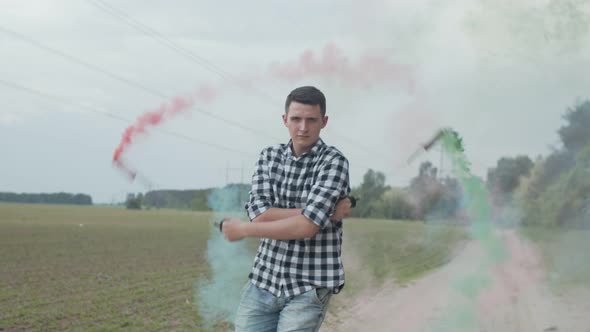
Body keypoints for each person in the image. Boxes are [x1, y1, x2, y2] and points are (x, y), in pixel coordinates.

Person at [221, 86, 354, 331]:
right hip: (263, 280)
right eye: (296, 119)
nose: (303, 127)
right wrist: (322, 211)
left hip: (308, 285)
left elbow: (305, 228)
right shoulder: (268, 157)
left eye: (311, 120)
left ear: (324, 122)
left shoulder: (334, 162)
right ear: (285, 120)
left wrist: (243, 230)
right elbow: (260, 216)